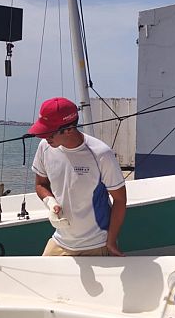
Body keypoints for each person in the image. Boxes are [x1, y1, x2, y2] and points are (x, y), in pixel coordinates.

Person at [29, 97, 127, 257]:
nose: (44, 137)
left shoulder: (101, 154)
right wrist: (51, 202)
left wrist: (111, 241)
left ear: (69, 129)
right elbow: (41, 184)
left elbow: (120, 199)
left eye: (49, 132)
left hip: (96, 244)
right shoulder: (45, 147)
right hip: (60, 241)